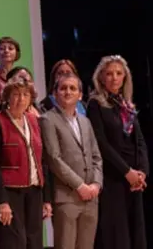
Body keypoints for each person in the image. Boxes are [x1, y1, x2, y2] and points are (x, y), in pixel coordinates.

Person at [86, 55, 148, 249]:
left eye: (118, 73)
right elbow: (101, 144)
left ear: (125, 78)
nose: (114, 78)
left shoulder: (127, 106)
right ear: (101, 77)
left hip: (134, 182)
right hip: (113, 178)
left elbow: (139, 142)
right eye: (109, 73)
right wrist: (127, 172)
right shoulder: (95, 104)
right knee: (117, 237)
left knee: (136, 233)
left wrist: (142, 173)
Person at [0, 76, 52, 249]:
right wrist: (2, 201)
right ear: (7, 97)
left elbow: (42, 160)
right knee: (13, 242)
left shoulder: (34, 120)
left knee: (34, 242)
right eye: (16, 94)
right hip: (10, 193)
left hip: (34, 191)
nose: (20, 98)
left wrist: (46, 199)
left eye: (25, 94)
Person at [40, 74, 102, 249]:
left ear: (80, 95)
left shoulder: (86, 122)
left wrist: (96, 184)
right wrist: (80, 186)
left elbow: (96, 156)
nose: (68, 92)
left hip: (91, 197)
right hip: (66, 196)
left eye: (72, 88)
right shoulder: (47, 119)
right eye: (63, 88)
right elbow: (54, 158)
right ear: (55, 93)